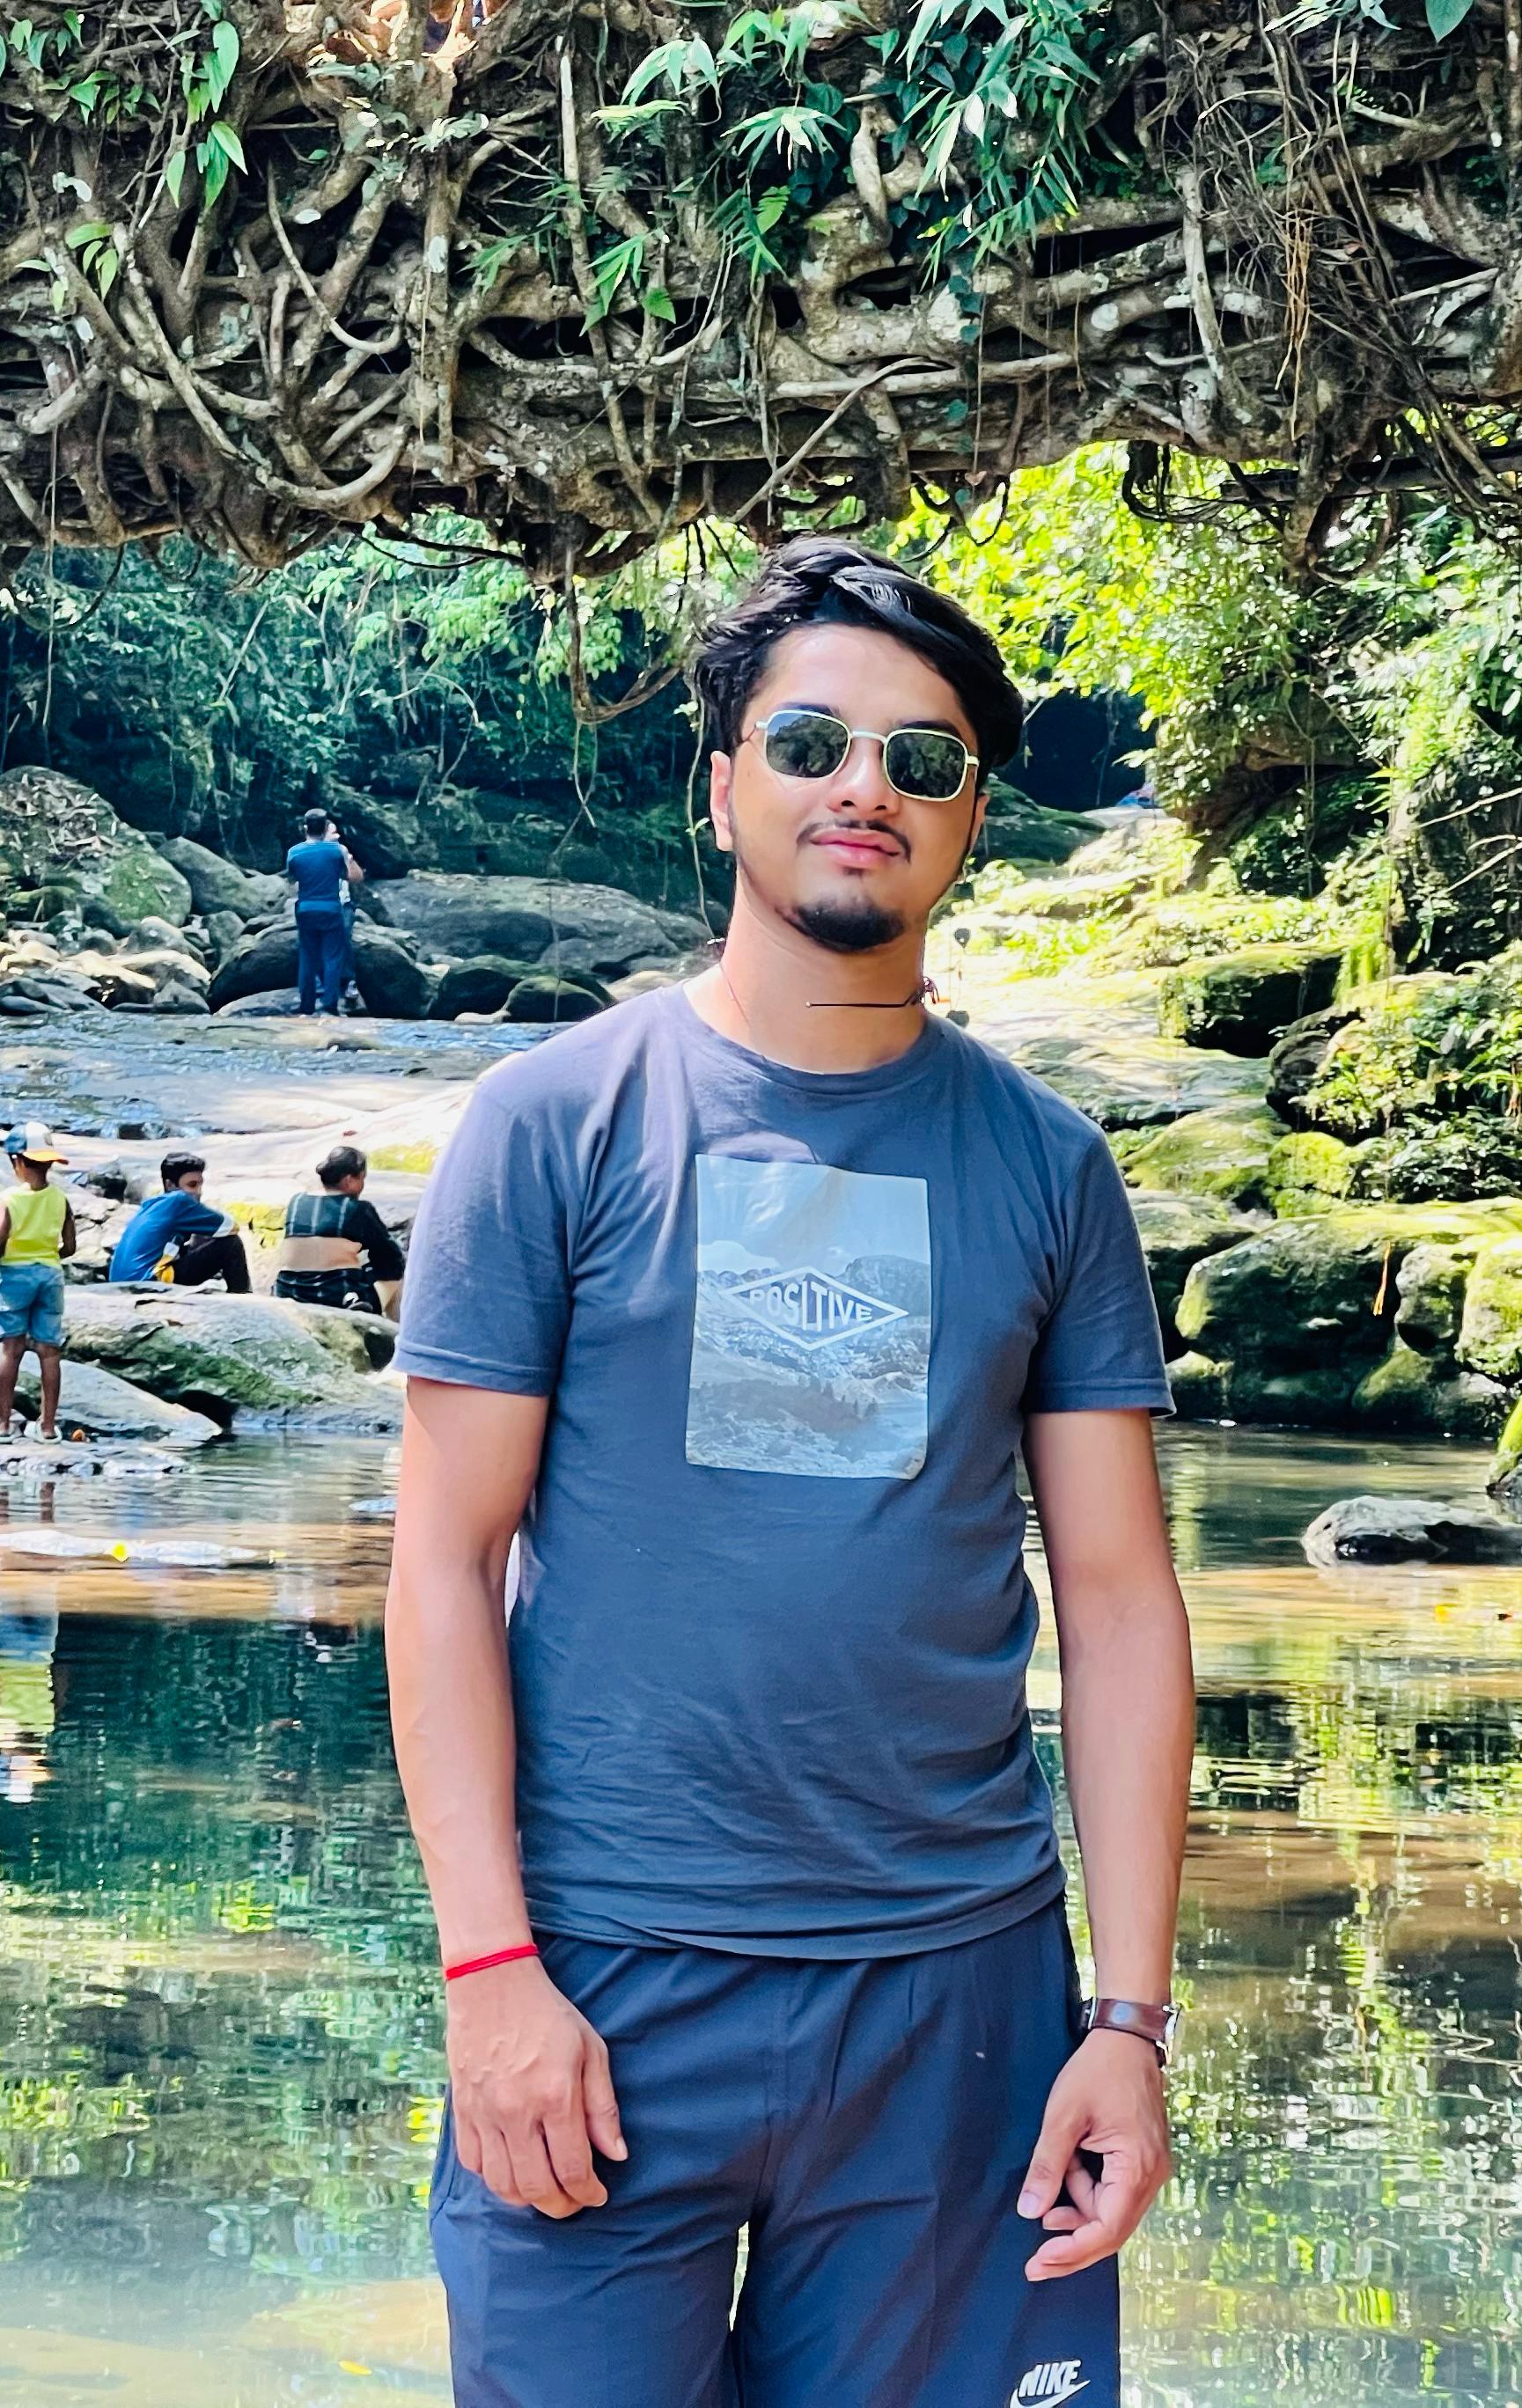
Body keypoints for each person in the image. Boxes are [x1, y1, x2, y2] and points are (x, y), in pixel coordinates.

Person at [384, 538, 1190, 2408]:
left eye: (924, 760)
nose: (864, 789)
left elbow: (1121, 1604)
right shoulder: (553, 1124)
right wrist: (486, 1970)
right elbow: (440, 1564)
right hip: (604, 1983)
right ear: (723, 781)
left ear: (971, 814)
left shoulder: (1050, 1169)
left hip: (960, 2002)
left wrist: (1128, 2019)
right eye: (814, 741)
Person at [0, 1124, 77, 1438]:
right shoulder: (60, 1198)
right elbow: (71, 1245)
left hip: (14, 1274)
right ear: (50, 1162)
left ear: (17, 1161)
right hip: (50, 1273)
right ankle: (48, 1426)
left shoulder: (9, 1198)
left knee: (11, 1349)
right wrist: (50, 1256)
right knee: (49, 1351)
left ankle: (2, 1424)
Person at [274, 1145, 404, 1315]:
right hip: (336, 1296)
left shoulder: (297, 1202)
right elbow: (390, 1255)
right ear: (349, 1180)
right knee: (393, 1269)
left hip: (287, 1291)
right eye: (362, 1179)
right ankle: (388, 1325)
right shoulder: (357, 1209)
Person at [108, 1150, 248, 1290]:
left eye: (200, 1185)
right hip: (148, 1283)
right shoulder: (179, 1200)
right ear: (170, 1185)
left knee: (201, 1235)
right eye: (192, 1185)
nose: (199, 1192)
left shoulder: (153, 1205)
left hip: (118, 1285)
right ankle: (241, 1296)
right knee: (231, 1243)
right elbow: (231, 1227)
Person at [283, 809, 362, 1015]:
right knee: (332, 957)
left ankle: (306, 1005)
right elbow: (348, 876)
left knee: (307, 957)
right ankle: (330, 1003)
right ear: (326, 827)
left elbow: (292, 879)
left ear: (305, 828)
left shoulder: (294, 852)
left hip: (306, 908)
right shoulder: (336, 851)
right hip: (331, 908)